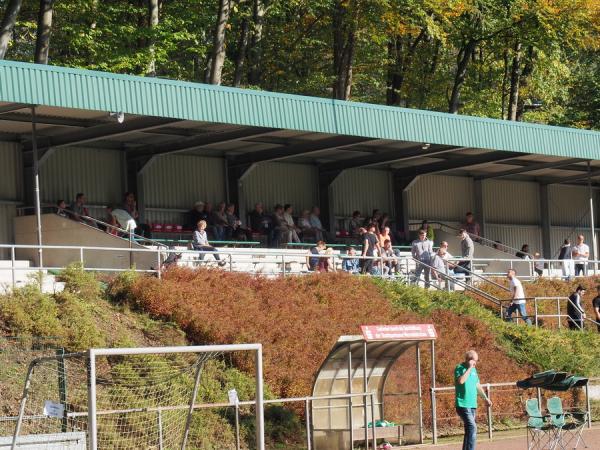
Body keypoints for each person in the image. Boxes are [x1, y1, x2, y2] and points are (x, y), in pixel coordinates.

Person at [454, 350, 492, 450]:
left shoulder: (474, 370)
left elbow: (477, 385)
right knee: (473, 428)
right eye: (474, 361)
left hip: (472, 404)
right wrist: (469, 368)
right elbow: (461, 381)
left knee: (469, 431)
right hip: (463, 404)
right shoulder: (459, 368)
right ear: (469, 360)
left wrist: (485, 398)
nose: (475, 363)